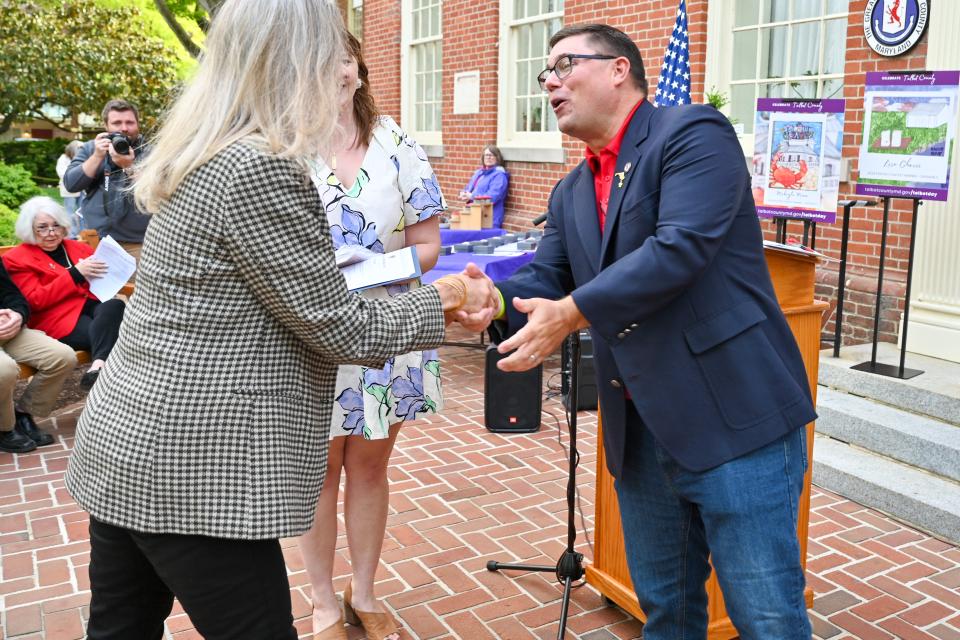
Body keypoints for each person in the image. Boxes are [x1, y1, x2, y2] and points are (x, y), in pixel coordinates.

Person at [63, 2, 496, 639]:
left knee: (119, 629)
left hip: (125, 446)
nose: (349, 80)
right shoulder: (262, 168)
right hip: (193, 468)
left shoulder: (207, 149)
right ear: (292, 65)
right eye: (335, 64)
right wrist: (451, 295)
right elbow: (345, 330)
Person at [479, 24, 816, 639]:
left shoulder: (692, 134)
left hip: (733, 419)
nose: (549, 80)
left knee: (767, 618)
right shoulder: (571, 190)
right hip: (639, 436)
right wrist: (488, 297)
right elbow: (546, 275)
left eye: (564, 64)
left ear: (618, 69)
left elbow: (679, 248)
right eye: (543, 72)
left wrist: (573, 311)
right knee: (666, 613)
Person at [298, 32, 443, 640]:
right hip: (311, 330)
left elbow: (429, 245)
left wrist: (382, 265)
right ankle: (323, 601)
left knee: (370, 468)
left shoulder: (397, 143)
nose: (335, 67)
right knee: (317, 474)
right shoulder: (284, 146)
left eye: (344, 56)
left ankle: (365, 588)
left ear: (359, 68)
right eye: (320, 56)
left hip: (389, 329)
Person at [3, 197, 125, 391]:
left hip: (92, 308)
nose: (51, 233)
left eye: (56, 226)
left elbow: (101, 281)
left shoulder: (79, 248)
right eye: (42, 227)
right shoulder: (17, 259)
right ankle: (105, 374)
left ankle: (98, 365)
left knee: (115, 305)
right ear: (29, 229)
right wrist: (75, 274)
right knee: (112, 333)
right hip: (56, 318)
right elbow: (34, 300)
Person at [0, 259, 76, 454]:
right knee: (4, 369)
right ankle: (5, 428)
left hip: (8, 329)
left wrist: (17, 315)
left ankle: (23, 414)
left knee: (62, 357)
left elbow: (11, 294)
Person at [62, 99, 151, 260]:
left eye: (129, 122)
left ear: (138, 124)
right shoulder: (92, 148)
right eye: (117, 123)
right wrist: (97, 156)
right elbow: (71, 184)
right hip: (95, 240)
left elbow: (158, 192)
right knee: (91, 286)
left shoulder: (150, 151)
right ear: (106, 126)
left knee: (134, 286)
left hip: (139, 243)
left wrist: (128, 166)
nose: (124, 128)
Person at [457, 145, 509, 228]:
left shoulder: (499, 175)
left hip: (489, 218)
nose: (488, 157)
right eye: (486, 155)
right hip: (473, 213)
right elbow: (469, 188)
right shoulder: (479, 173)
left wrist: (472, 196)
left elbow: (492, 197)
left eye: (491, 155)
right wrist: (463, 193)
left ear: (497, 157)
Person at [56, 140, 84, 238]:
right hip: (69, 189)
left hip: (82, 188)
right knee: (69, 212)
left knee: (83, 211)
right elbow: (62, 173)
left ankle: (84, 232)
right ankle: (71, 234)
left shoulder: (81, 157)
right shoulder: (63, 159)